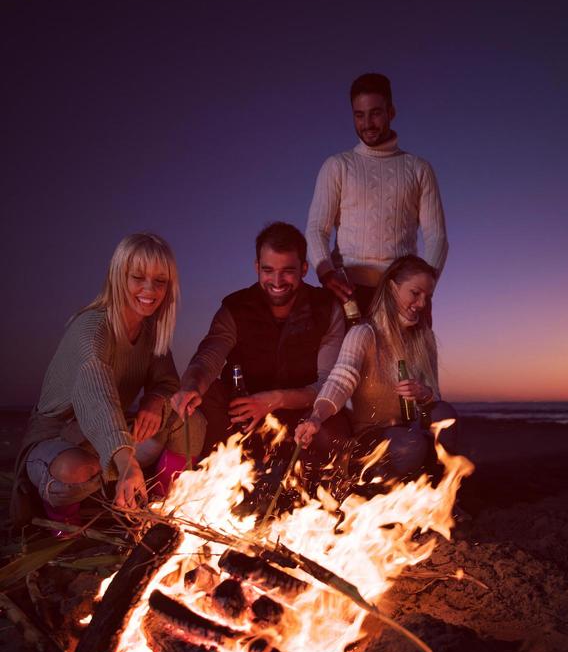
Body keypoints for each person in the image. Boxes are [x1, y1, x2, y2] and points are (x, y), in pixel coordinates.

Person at [10, 233, 206, 527]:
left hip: (108, 435)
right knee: (76, 470)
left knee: (189, 418)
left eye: (160, 281)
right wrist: (126, 462)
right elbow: (97, 396)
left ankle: (156, 506)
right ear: (118, 277)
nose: (149, 289)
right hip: (59, 438)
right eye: (137, 277)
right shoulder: (92, 329)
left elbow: (168, 384)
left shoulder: (151, 331)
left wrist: (154, 401)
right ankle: (65, 526)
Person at [171, 222, 349, 475]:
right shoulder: (235, 307)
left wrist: (273, 400)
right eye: (268, 270)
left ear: (304, 269)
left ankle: (312, 493)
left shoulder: (326, 309)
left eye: (287, 271)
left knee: (335, 427)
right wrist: (191, 385)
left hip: (300, 414)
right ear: (257, 268)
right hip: (241, 414)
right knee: (207, 394)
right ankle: (219, 481)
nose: (277, 281)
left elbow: (327, 385)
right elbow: (207, 358)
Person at [294, 255, 458, 481]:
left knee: (445, 414)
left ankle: (438, 493)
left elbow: (435, 396)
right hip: (372, 437)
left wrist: (424, 393)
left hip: (410, 427)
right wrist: (316, 416)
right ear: (392, 288)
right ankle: (377, 491)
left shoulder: (424, 338)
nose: (421, 304)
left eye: (427, 297)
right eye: (415, 293)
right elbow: (341, 380)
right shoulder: (364, 333)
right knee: (412, 444)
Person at [306, 72, 448, 317]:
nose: (367, 123)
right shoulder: (337, 166)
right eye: (359, 115)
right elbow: (317, 229)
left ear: (391, 112)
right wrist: (327, 274)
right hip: (348, 293)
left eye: (376, 113)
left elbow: (437, 237)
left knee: (408, 358)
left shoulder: (419, 169)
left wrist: (425, 286)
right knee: (346, 357)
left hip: (401, 295)